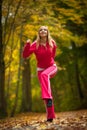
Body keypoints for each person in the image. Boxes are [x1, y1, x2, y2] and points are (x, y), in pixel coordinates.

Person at [22, 26, 58, 122]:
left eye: (45, 29)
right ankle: (50, 117)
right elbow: (25, 55)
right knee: (46, 90)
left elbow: (53, 55)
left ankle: (48, 97)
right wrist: (27, 45)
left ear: (47, 32)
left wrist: (50, 63)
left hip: (52, 67)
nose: (43, 31)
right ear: (38, 33)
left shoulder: (52, 43)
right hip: (40, 70)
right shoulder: (35, 44)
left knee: (45, 77)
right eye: (41, 30)